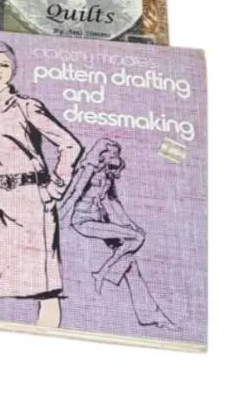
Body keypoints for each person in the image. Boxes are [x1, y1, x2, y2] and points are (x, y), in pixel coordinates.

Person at [0, 40, 83, 328]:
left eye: (5, 65)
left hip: (33, 202)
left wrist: (54, 189)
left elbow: (70, 145)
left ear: (13, 69)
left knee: (44, 288)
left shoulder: (27, 106)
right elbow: (2, 154)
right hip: (2, 203)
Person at [58, 139, 176, 328]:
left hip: (100, 220)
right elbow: (73, 193)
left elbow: (113, 202)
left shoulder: (108, 175)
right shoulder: (88, 170)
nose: (116, 156)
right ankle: (103, 272)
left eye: (117, 153)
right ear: (101, 154)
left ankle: (151, 316)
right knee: (137, 238)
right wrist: (57, 221)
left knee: (130, 261)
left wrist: (130, 224)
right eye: (112, 153)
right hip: (83, 221)